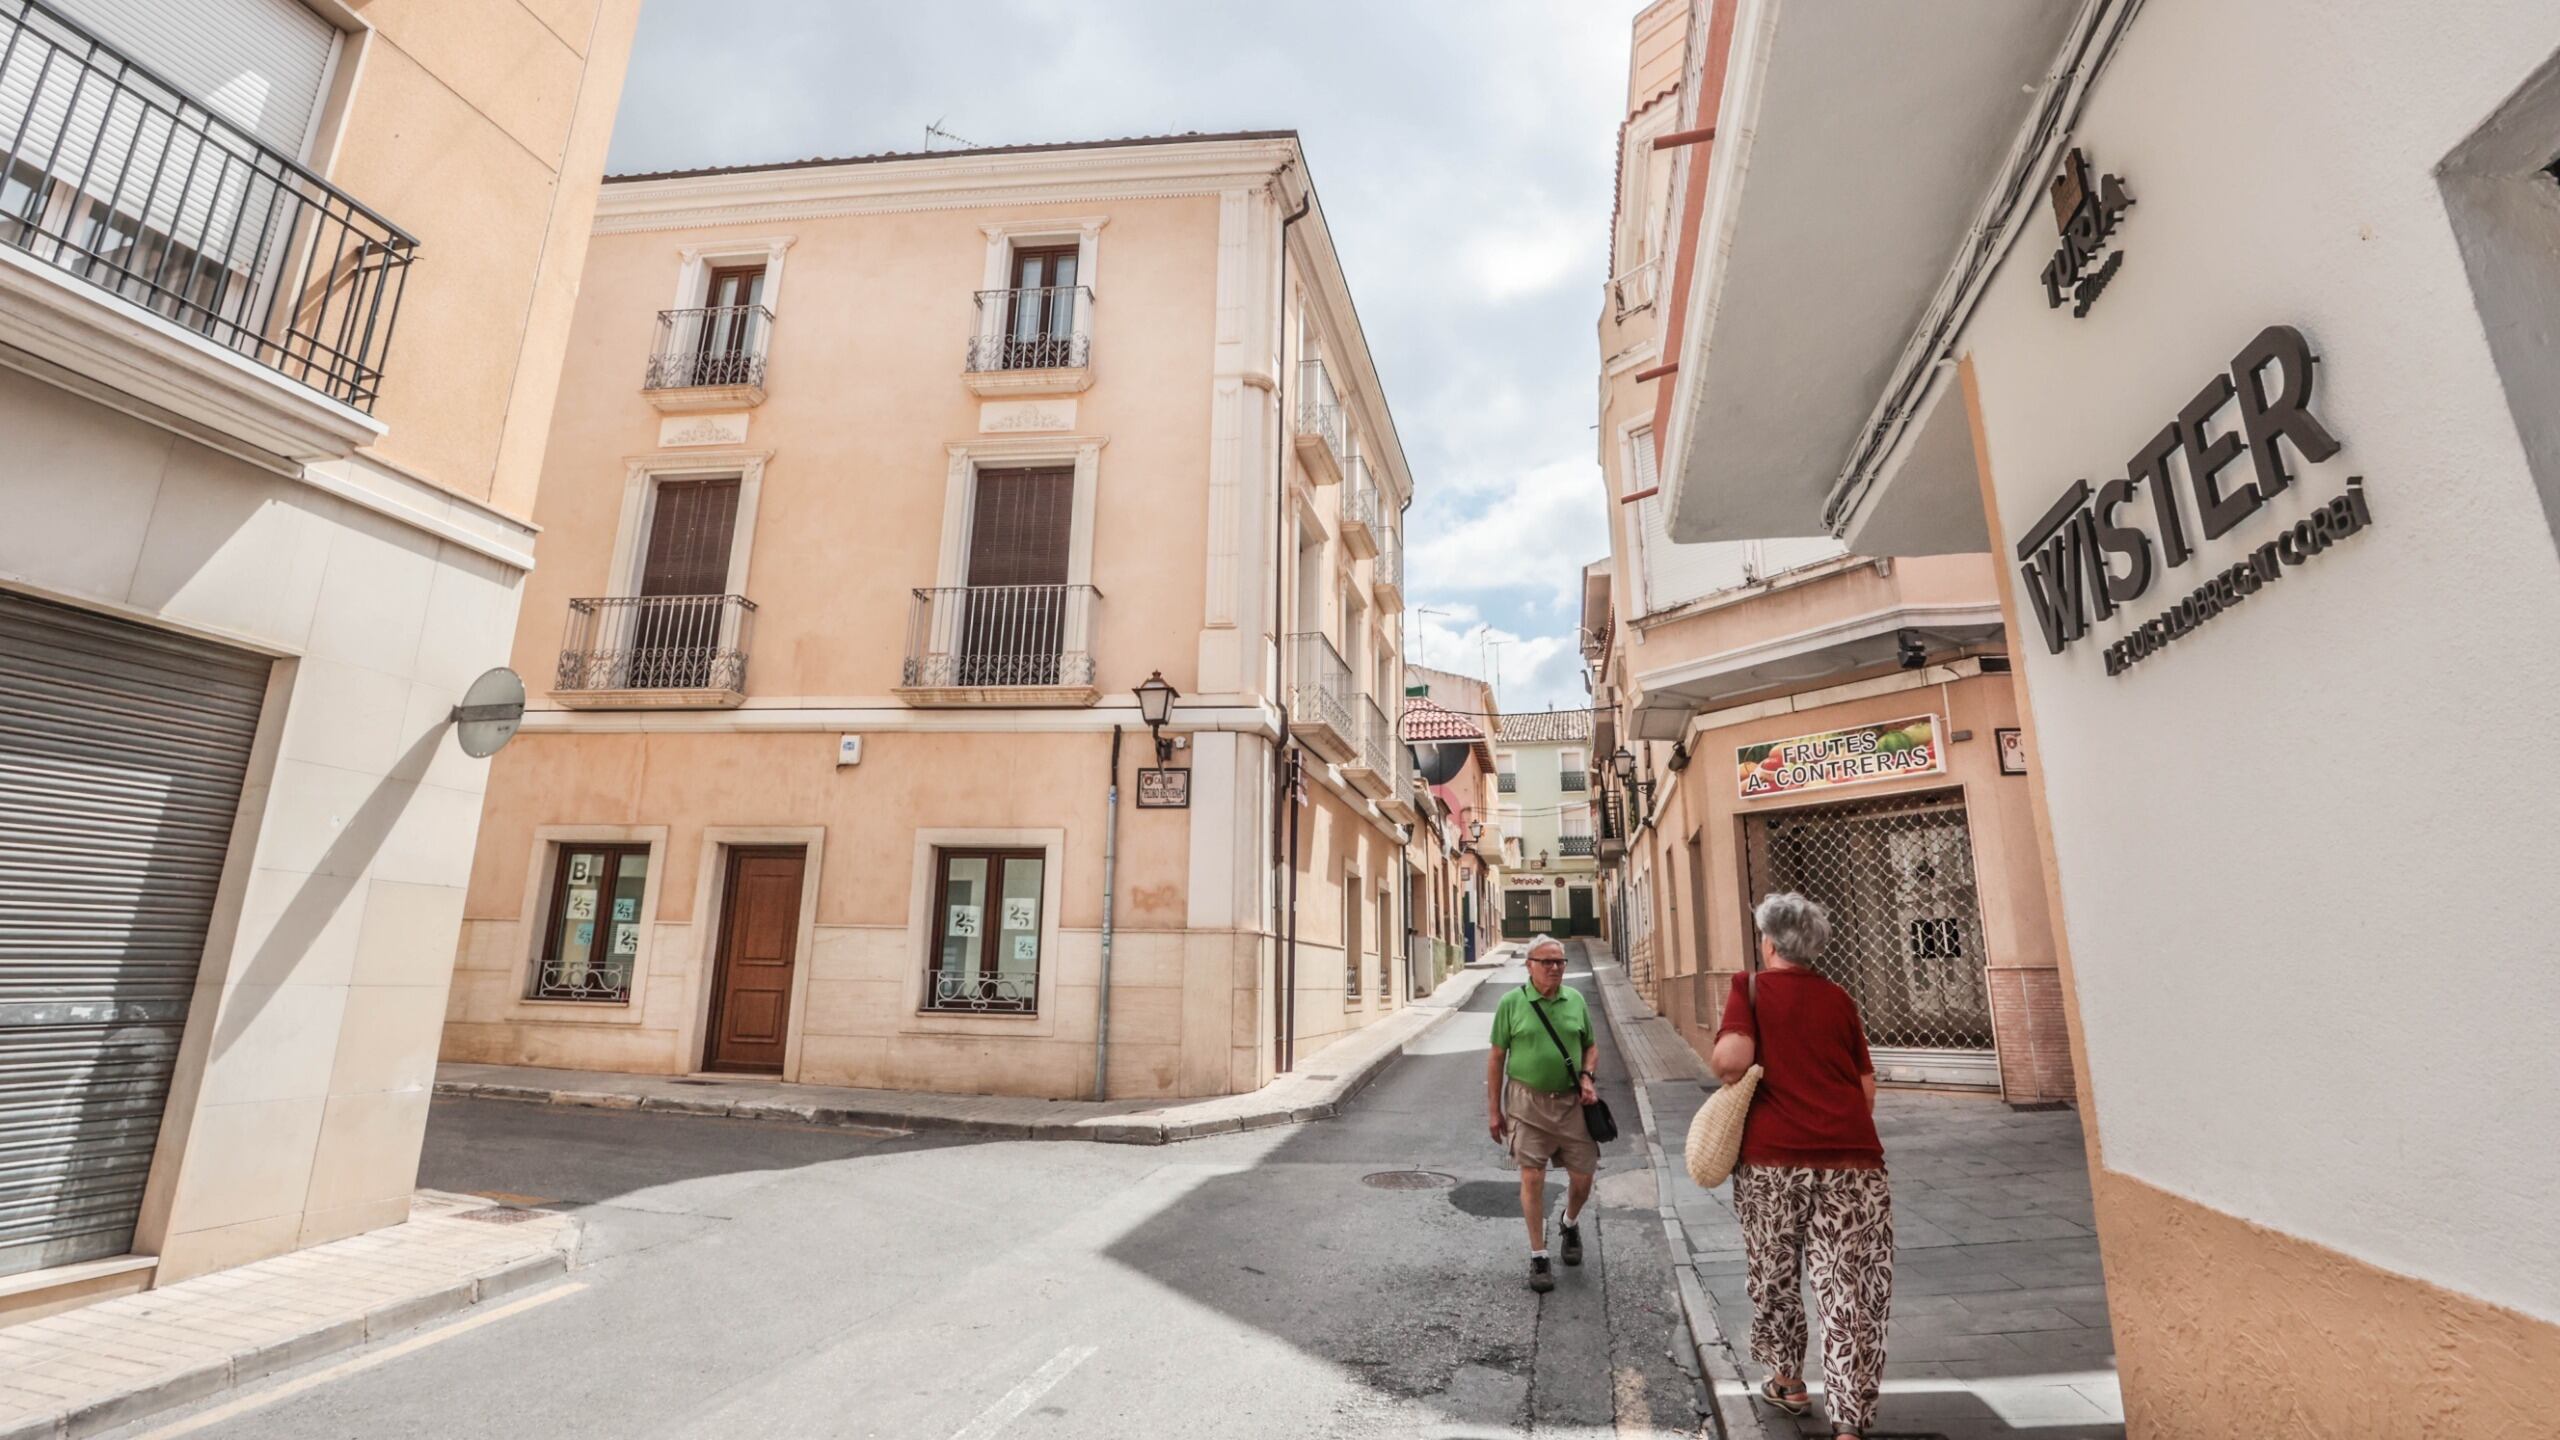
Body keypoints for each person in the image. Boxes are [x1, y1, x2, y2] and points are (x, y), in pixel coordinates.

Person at [1710, 893, 1891, 1440]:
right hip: (1854, 1160)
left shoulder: (1751, 987)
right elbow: (1865, 1089)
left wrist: (1728, 1047)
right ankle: (1850, 1425)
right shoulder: (1839, 998)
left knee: (1775, 1271)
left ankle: (1787, 1380)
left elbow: (1731, 1062)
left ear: (1769, 942)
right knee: (1850, 1287)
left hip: (1774, 1159)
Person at [1484, 935, 1598, 1293]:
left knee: (1583, 1178)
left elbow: (1590, 1045)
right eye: (1546, 962)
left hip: (1571, 1105)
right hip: (1526, 1103)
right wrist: (1494, 1111)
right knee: (1532, 1177)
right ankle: (1539, 1255)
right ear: (1529, 965)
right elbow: (1496, 1058)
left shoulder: (1576, 1000)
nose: (1554, 968)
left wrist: (1587, 1076)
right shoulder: (1512, 1003)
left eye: (1560, 962)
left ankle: (1569, 1221)